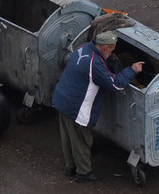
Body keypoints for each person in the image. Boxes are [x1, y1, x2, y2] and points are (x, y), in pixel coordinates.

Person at [52, 30, 144, 182]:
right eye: (112, 49)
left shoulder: (83, 48)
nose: (112, 52)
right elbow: (115, 84)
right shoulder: (94, 63)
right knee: (82, 140)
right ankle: (83, 173)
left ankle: (70, 167)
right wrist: (131, 70)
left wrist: (110, 61)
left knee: (68, 136)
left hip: (62, 99)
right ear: (105, 47)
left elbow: (93, 68)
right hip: (77, 108)